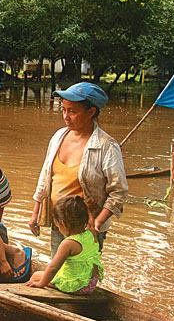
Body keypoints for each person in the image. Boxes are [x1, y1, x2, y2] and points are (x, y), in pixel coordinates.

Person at [28, 82, 128, 256]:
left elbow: (118, 192)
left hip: (86, 227)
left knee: (81, 275)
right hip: (59, 221)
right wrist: (35, 212)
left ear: (91, 112)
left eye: (73, 111)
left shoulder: (106, 146)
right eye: (64, 110)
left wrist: (97, 224)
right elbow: (45, 176)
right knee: (58, 271)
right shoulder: (59, 136)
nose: (66, 116)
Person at [26, 195, 104, 294]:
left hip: (76, 286)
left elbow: (53, 268)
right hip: (90, 284)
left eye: (57, 225)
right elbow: (91, 221)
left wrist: (41, 283)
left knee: (36, 275)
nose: (58, 228)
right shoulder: (91, 233)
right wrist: (86, 207)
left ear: (62, 223)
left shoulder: (68, 243)